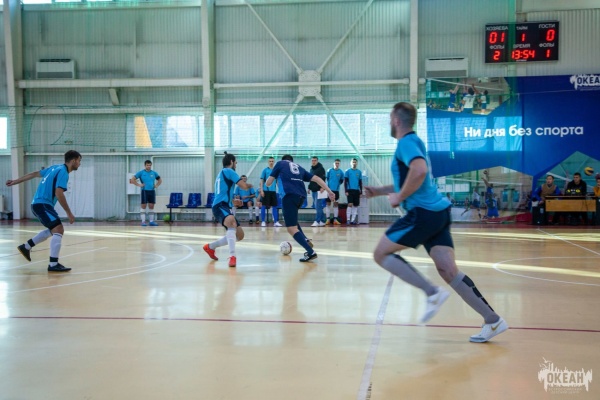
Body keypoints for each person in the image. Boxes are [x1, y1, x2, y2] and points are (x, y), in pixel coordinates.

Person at [365, 102, 507, 343]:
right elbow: (414, 179)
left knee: (381, 254)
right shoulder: (415, 142)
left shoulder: (406, 143)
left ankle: (431, 293)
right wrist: (380, 191)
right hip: (439, 213)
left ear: (397, 120)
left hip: (423, 214)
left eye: (390, 118)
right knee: (448, 271)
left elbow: (419, 171)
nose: (390, 122)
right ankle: (493, 320)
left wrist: (398, 197)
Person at [6, 150, 82, 272]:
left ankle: (26, 247)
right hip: (42, 204)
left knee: (54, 229)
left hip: (39, 204)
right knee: (58, 229)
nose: (79, 163)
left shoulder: (54, 168)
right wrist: (69, 213)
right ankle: (53, 264)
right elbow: (59, 193)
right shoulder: (63, 172)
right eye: (79, 160)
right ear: (73, 160)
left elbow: (34, 174)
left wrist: (15, 181)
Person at [266, 155, 335, 262]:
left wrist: (274, 176)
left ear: (283, 160)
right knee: (293, 221)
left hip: (288, 196)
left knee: (291, 228)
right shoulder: (298, 167)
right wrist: (329, 191)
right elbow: (317, 178)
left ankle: (310, 252)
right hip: (301, 197)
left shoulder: (280, 164)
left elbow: (268, 183)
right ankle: (305, 239)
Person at [203, 153, 253, 268]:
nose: (236, 165)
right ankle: (232, 256)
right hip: (220, 205)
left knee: (239, 235)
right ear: (231, 162)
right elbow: (243, 186)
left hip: (224, 205)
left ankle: (210, 247)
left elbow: (223, 193)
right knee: (232, 222)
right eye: (235, 163)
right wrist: (251, 185)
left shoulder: (221, 173)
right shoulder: (229, 171)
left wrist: (233, 202)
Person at [130, 160, 162, 227]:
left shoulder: (154, 173)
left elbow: (160, 180)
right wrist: (139, 185)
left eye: (150, 165)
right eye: (147, 165)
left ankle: (151, 221)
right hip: (144, 191)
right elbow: (132, 179)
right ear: (145, 165)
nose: (149, 166)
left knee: (151, 206)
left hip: (152, 191)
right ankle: (143, 222)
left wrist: (156, 185)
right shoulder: (141, 172)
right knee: (143, 206)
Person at [259, 157, 282, 227]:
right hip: (266, 191)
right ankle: (263, 221)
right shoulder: (265, 170)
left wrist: (280, 190)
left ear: (274, 162)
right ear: (268, 162)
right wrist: (261, 190)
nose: (271, 162)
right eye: (270, 161)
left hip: (273, 191)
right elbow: (261, 181)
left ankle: (276, 222)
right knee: (263, 206)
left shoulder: (276, 171)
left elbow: (277, 181)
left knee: (274, 206)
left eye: (272, 161)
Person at [308, 156, 327, 227]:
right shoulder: (311, 169)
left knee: (318, 206)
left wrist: (322, 187)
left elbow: (323, 178)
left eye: (315, 160)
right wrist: (309, 188)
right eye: (312, 160)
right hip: (313, 189)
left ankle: (317, 221)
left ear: (317, 161)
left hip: (319, 190)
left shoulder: (321, 169)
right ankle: (322, 220)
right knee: (317, 206)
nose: (313, 162)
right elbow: (311, 179)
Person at [325, 159, 344, 225]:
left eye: (338, 163)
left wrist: (337, 185)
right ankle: (328, 219)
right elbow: (326, 179)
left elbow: (341, 180)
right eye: (336, 163)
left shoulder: (341, 172)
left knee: (335, 204)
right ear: (333, 163)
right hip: (329, 190)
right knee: (328, 204)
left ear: (339, 164)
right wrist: (327, 188)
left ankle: (335, 220)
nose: (337, 164)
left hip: (336, 191)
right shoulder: (329, 170)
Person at [344, 158, 363, 225]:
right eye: (353, 162)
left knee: (355, 205)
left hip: (356, 191)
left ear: (357, 163)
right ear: (351, 163)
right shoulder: (347, 171)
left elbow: (360, 182)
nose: (354, 163)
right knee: (350, 204)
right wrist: (346, 191)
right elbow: (345, 182)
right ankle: (348, 220)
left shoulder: (359, 172)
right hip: (350, 190)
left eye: (355, 162)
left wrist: (361, 192)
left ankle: (353, 220)